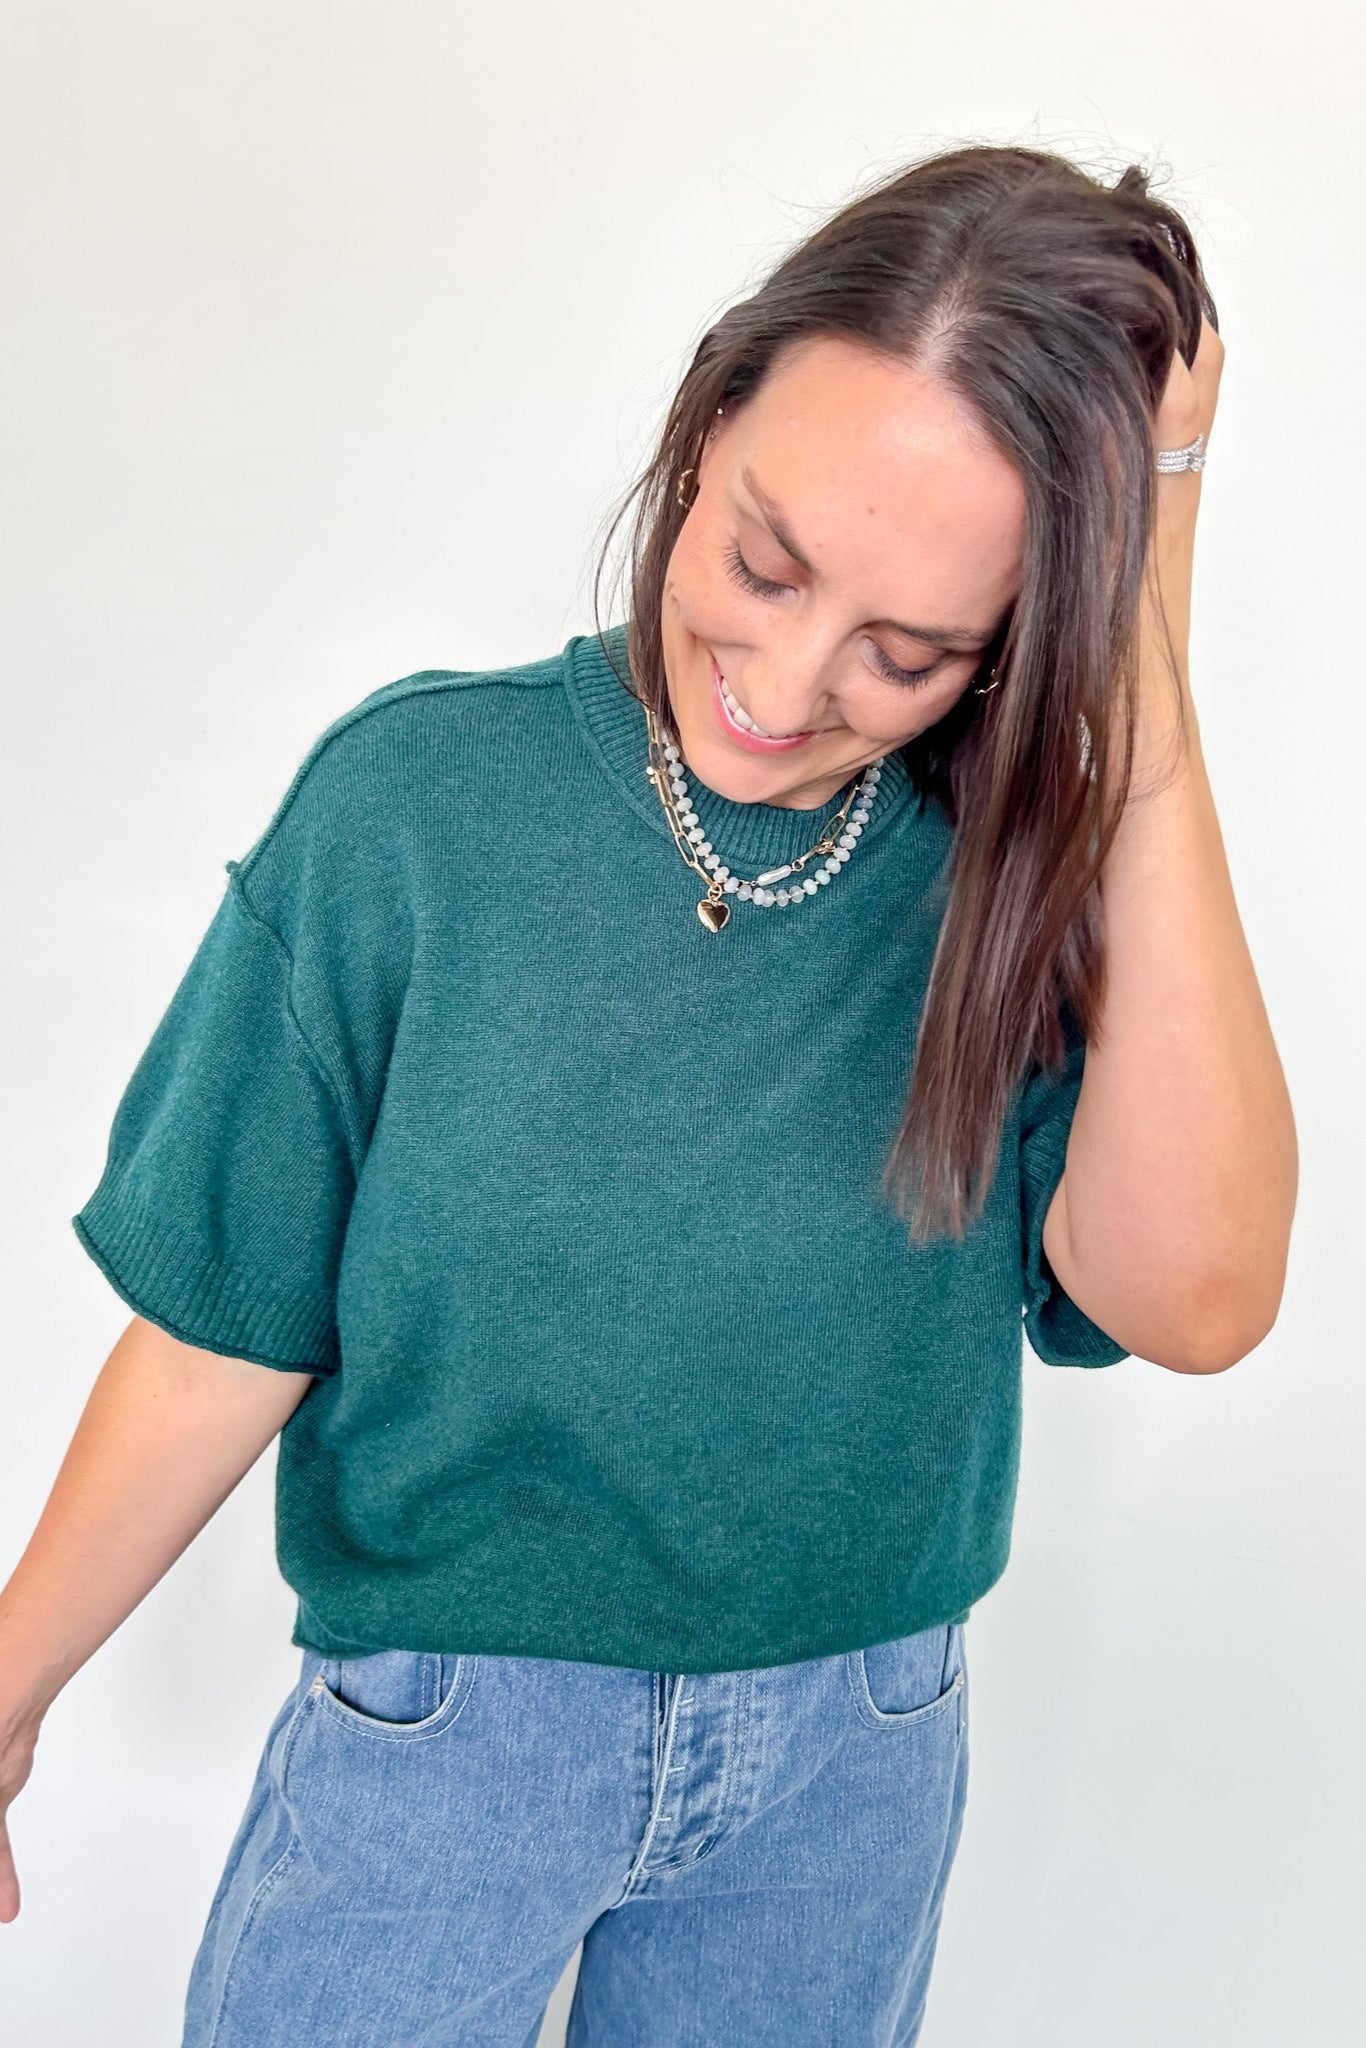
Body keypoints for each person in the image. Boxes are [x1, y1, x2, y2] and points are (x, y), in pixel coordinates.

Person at [0, 143, 1296, 2045]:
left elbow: (1197, 1298)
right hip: (445, 1739)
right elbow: (221, 1334)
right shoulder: (413, 813)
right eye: (764, 564)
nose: (784, 680)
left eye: (909, 653)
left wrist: (1144, 607)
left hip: (856, 1757)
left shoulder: (1006, 888)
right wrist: (9, 1686)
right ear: (702, 435)